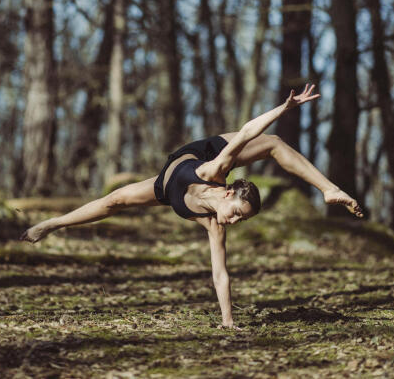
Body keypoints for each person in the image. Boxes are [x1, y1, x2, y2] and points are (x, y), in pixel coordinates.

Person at [20, 84, 363, 328]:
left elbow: (220, 274)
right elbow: (244, 133)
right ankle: (52, 223)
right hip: (200, 152)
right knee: (271, 141)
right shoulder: (215, 170)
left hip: (166, 186)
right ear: (229, 195)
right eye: (237, 214)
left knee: (116, 200)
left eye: (239, 222)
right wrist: (284, 108)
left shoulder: (211, 223)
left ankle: (330, 190)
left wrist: (228, 323)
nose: (232, 222)